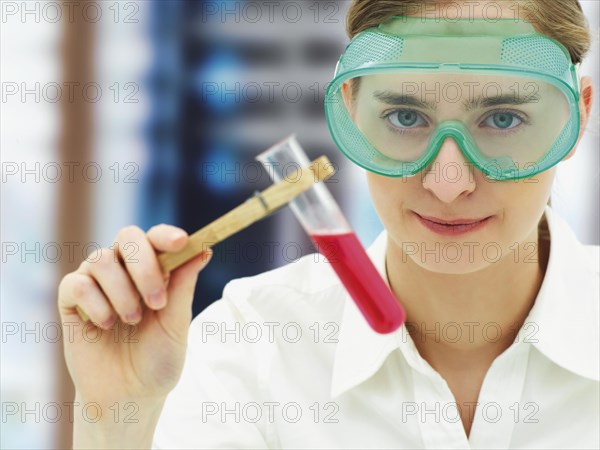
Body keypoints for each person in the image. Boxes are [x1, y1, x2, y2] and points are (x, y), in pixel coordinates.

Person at [59, 0, 598, 448]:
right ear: (350, 108)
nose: (448, 181)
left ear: (579, 117)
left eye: (503, 118)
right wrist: (116, 420)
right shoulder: (252, 345)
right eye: (405, 117)